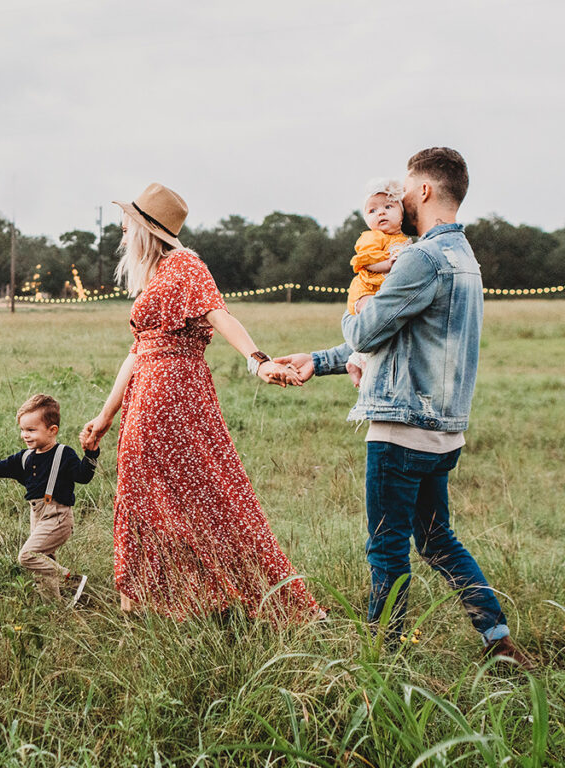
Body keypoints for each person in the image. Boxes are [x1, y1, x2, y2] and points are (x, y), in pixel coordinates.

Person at [275, 148, 533, 668]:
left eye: (406, 188)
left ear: (425, 191)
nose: (399, 199)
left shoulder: (420, 257)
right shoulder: (465, 259)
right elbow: (400, 337)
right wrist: (320, 360)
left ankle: (381, 656)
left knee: (386, 546)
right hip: (444, 432)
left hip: (401, 428)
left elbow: (369, 329)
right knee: (437, 539)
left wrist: (355, 309)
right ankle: (497, 639)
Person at [79, 182, 322, 623]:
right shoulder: (154, 276)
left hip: (173, 394)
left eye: (127, 222)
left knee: (207, 495)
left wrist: (257, 360)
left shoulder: (185, 265)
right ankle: (149, 600)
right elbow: (137, 352)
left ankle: (232, 594)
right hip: (147, 394)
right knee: (145, 494)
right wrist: (104, 416)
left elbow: (220, 314)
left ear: (146, 229)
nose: (121, 230)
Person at [0, 394, 96, 607]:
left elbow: (83, 477)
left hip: (58, 517)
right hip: (37, 516)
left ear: (52, 430)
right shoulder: (25, 457)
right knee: (43, 567)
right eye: (23, 430)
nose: (25, 435)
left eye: (31, 430)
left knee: (28, 556)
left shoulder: (64, 454)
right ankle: (54, 609)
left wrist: (91, 453)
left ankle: (70, 580)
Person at [345, 178, 412, 386]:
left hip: (380, 291)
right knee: (372, 319)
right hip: (366, 290)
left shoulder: (404, 240)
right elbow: (365, 261)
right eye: (372, 211)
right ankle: (362, 361)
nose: (380, 213)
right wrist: (387, 264)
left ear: (402, 213)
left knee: (384, 323)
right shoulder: (372, 237)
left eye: (388, 207)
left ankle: (355, 359)